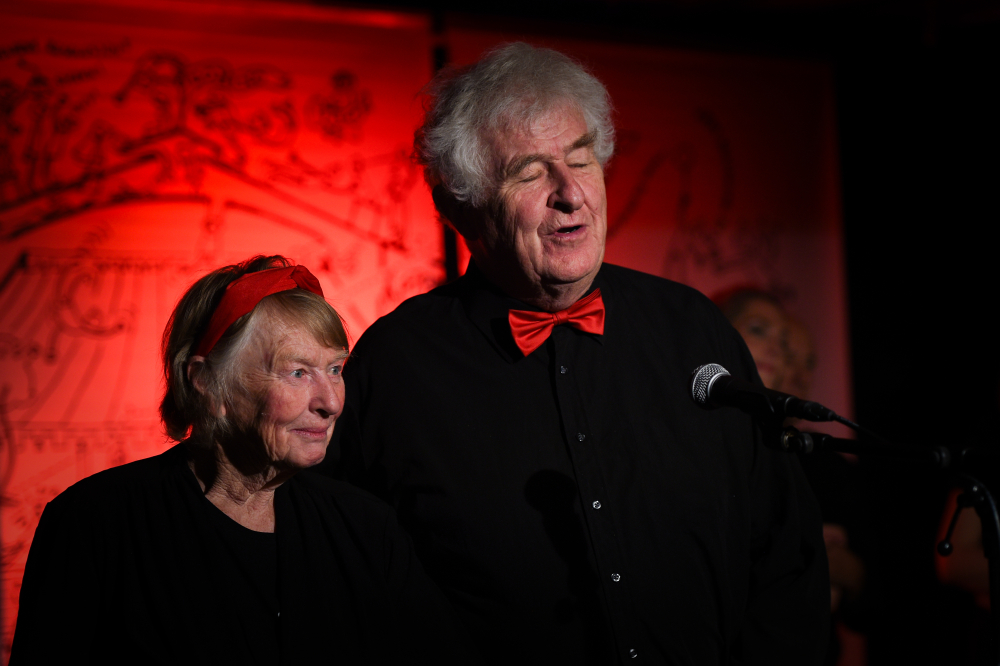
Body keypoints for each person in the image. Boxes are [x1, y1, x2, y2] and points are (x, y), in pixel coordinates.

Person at [330, 43, 829, 664]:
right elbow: (344, 593)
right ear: (460, 208)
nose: (571, 194)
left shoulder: (693, 329)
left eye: (581, 159)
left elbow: (787, 557)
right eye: (529, 173)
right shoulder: (394, 369)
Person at [10, 255, 471, 664]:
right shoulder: (95, 524)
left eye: (335, 369)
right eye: (297, 372)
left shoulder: (368, 530)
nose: (330, 402)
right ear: (207, 383)